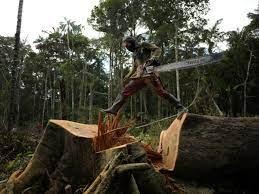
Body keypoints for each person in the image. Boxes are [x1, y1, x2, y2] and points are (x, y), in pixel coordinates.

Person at [103, 36, 186, 115]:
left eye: (127, 44)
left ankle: (180, 107)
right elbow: (134, 68)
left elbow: (157, 49)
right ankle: (114, 109)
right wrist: (127, 77)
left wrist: (153, 58)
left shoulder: (143, 45)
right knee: (125, 91)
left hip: (150, 73)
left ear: (131, 43)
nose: (127, 47)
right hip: (140, 76)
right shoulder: (135, 54)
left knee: (161, 92)